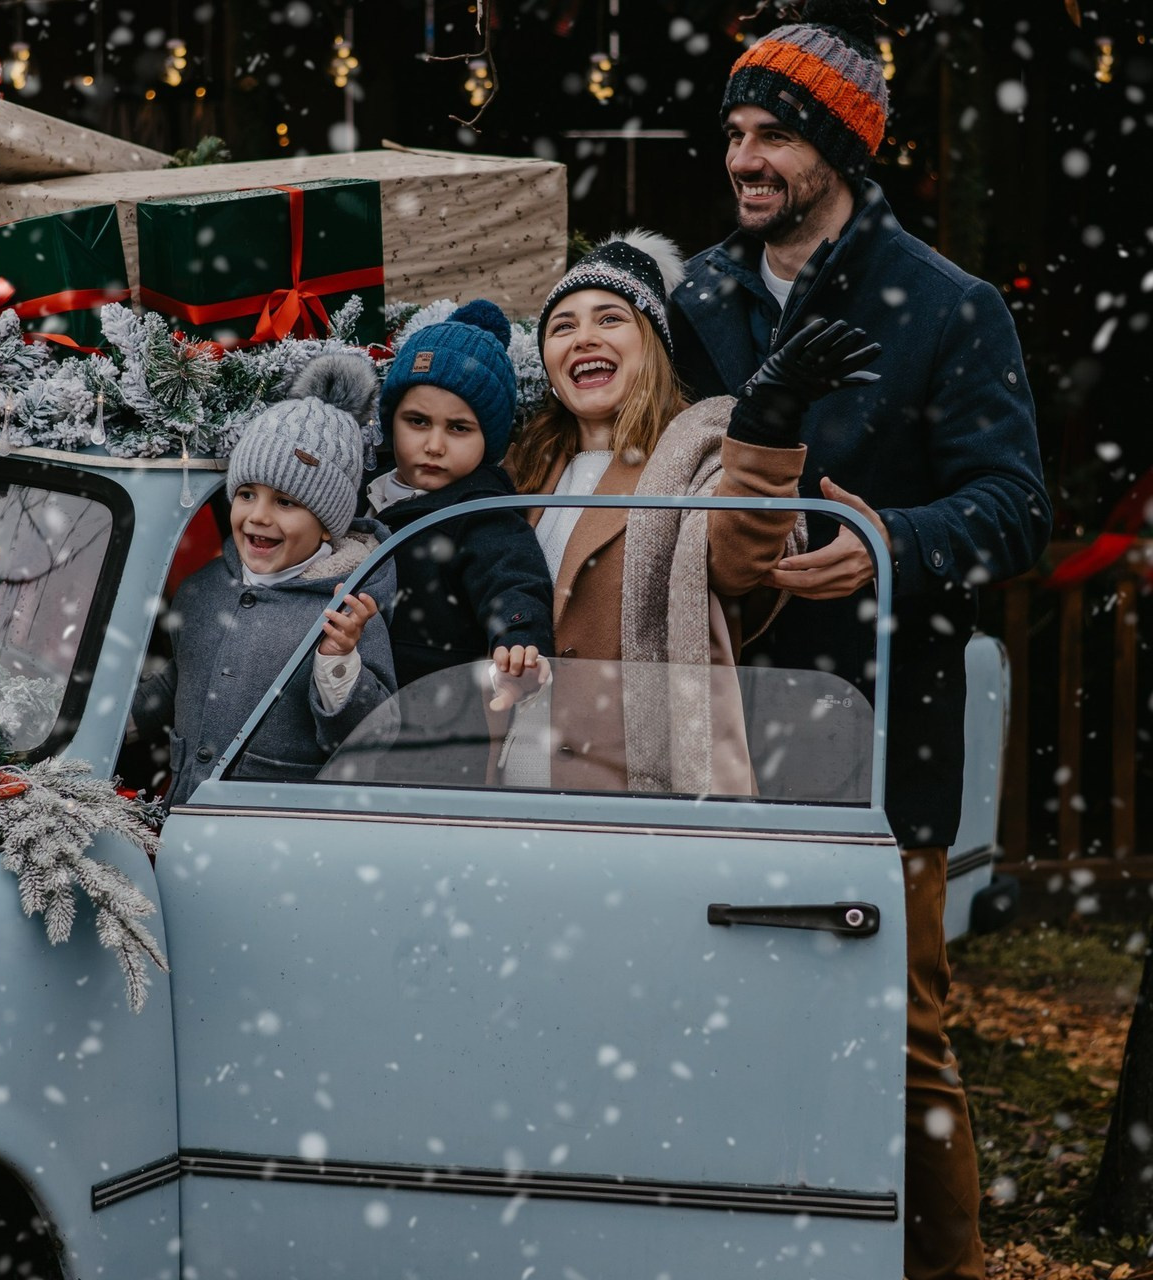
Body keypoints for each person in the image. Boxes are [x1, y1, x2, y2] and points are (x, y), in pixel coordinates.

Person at [667, 1, 1053, 1275]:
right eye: (733, 133)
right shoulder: (699, 295)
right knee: (717, 1020)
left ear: (839, 148)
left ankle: (943, 1263)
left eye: (773, 134)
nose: (744, 159)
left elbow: (1014, 510)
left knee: (900, 1036)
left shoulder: (945, 307)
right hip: (712, 708)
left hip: (891, 721)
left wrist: (888, 540)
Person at [502, 230, 880, 793]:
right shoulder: (520, 471)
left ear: (651, 343)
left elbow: (737, 560)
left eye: (609, 319)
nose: (583, 338)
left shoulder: (696, 454)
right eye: (563, 326)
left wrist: (765, 428)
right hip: (504, 788)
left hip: (630, 800)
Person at [130, 353, 397, 806]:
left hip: (275, 832)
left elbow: (373, 739)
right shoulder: (203, 588)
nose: (258, 516)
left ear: (327, 523)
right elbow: (183, 678)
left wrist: (338, 662)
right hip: (185, 816)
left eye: (286, 503)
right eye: (247, 494)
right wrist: (104, 722)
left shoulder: (347, 612)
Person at [368, 299, 554, 693]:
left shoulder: (482, 512)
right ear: (391, 420)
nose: (434, 445)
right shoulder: (362, 496)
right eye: (417, 422)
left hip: (437, 708)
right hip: (354, 704)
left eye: (458, 428)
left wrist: (518, 638)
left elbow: (512, 578)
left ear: (489, 440)